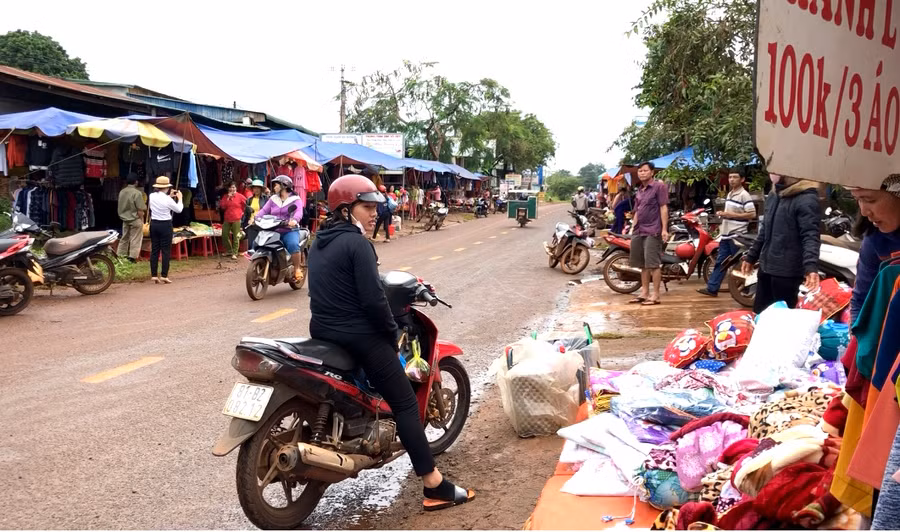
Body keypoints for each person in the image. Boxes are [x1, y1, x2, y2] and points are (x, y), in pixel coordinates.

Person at [307, 174, 475, 511]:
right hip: (358, 336)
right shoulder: (358, 244)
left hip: (322, 332)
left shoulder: (318, 241)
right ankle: (433, 485)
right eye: (366, 207)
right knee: (405, 403)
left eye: (374, 207)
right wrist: (389, 331)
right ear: (345, 209)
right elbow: (372, 300)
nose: (374, 214)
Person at [741, 174, 821, 313]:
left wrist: (810, 267)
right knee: (760, 316)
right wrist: (751, 257)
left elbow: (810, 236)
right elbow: (764, 230)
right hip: (766, 269)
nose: (772, 173)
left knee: (783, 322)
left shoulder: (806, 198)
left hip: (787, 273)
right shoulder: (774, 195)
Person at [849, 174, 900, 321]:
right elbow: (862, 300)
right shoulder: (874, 241)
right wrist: (857, 338)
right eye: (858, 200)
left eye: (870, 200)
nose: (864, 212)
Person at [698, 171, 757, 297]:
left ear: (742, 179)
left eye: (735, 177)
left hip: (737, 235)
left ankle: (747, 290)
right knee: (721, 262)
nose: (731, 180)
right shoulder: (730, 193)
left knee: (739, 264)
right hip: (726, 234)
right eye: (730, 177)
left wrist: (730, 215)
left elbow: (752, 214)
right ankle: (712, 288)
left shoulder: (744, 195)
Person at [628, 162, 669, 305]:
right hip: (639, 230)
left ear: (652, 172)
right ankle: (644, 292)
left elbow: (663, 207)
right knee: (642, 264)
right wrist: (632, 228)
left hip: (653, 230)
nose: (642, 173)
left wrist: (664, 229)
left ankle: (656, 295)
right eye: (640, 171)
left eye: (645, 171)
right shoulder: (640, 189)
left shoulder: (659, 186)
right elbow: (637, 211)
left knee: (653, 264)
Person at [257, 175, 304, 281]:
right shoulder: (273, 199)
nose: (274, 187)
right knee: (260, 242)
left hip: (289, 230)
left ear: (284, 185)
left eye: (276, 185)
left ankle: (297, 269)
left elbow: (299, 212)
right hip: (273, 229)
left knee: (293, 244)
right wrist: (256, 218)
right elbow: (264, 211)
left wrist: (294, 220)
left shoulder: (295, 199)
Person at [148, 176, 184, 284]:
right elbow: (179, 209)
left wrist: (169, 196)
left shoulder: (152, 195)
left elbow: (161, 200)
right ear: (167, 187)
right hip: (165, 225)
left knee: (154, 250)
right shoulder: (168, 199)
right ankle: (164, 275)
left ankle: (154, 275)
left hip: (154, 224)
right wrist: (180, 198)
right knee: (165, 251)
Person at [117, 173, 146, 263]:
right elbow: (140, 209)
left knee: (124, 238)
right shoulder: (137, 193)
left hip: (125, 219)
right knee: (135, 238)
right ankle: (132, 258)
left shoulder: (122, 191)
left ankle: (120, 256)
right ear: (136, 182)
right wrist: (142, 220)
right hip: (135, 219)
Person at [219, 183, 245, 260]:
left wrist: (243, 213)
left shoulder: (240, 196)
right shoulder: (225, 196)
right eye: (230, 187)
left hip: (237, 218)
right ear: (228, 189)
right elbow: (223, 207)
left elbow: (246, 204)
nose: (232, 189)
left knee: (236, 236)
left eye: (233, 187)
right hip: (227, 218)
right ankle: (229, 250)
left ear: (236, 188)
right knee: (224, 235)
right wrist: (228, 198)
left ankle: (235, 253)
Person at [242, 179, 269, 250]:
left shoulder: (266, 199)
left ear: (261, 189)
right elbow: (246, 213)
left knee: (261, 244)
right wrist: (242, 224)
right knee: (251, 244)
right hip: (251, 224)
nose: (256, 190)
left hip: (262, 224)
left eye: (258, 188)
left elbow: (268, 211)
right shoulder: (249, 199)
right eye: (254, 188)